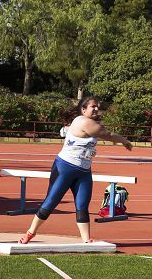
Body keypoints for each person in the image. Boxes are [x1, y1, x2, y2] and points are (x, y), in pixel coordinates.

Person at [18, 97, 132, 244]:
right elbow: (108, 135)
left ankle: (86, 239)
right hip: (65, 168)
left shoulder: (92, 122)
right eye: (93, 107)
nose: (96, 109)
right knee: (51, 201)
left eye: (98, 106)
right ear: (83, 109)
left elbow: (105, 134)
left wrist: (123, 141)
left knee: (82, 205)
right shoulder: (83, 121)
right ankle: (30, 232)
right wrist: (125, 141)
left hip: (83, 171)